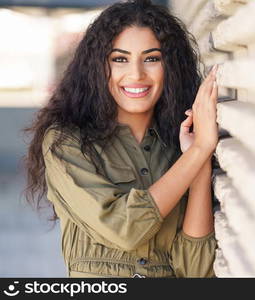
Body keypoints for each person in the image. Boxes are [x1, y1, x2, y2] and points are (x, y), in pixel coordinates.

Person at [23, 0, 219, 278]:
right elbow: (123, 229)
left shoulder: (179, 148)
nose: (136, 74)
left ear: (170, 66)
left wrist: (197, 162)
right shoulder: (67, 143)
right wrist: (199, 150)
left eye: (151, 58)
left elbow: (197, 272)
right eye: (120, 59)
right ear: (99, 67)